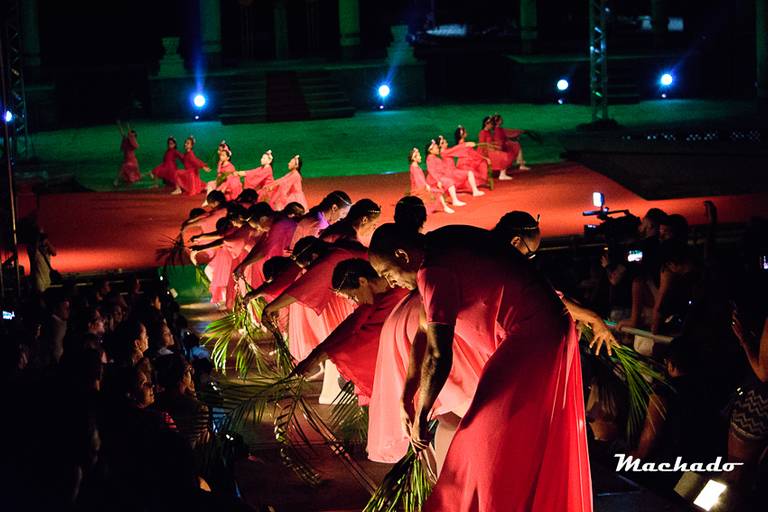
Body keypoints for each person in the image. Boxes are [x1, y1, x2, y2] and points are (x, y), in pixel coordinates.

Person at [368, 223, 592, 511]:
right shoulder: (437, 245)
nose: (390, 283)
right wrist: (406, 397)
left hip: (535, 336)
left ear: (402, 255)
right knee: (509, 436)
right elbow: (424, 331)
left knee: (484, 436)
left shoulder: (433, 270)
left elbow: (438, 355)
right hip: (541, 329)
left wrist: (422, 415)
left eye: (388, 273)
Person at [493, 211, 619, 355]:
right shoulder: (504, 266)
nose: (528, 260)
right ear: (515, 241)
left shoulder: (486, 250)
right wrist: (593, 318)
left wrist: (580, 313)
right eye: (529, 254)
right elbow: (546, 296)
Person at [291, 258, 408, 406]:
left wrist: (317, 358)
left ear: (362, 281)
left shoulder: (397, 293)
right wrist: (314, 356)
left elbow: (363, 339)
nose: (356, 302)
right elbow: (347, 328)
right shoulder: (373, 300)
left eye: (353, 296)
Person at [408, 147, 453, 214]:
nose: (420, 157)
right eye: (419, 156)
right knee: (437, 192)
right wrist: (426, 187)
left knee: (436, 192)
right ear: (414, 158)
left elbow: (420, 179)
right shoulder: (414, 168)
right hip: (418, 191)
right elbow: (418, 181)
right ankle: (445, 207)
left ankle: (445, 207)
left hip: (420, 188)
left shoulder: (415, 166)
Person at [424, 139, 466, 207]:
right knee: (449, 181)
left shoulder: (433, 157)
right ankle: (455, 200)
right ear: (430, 150)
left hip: (439, 176)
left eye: (438, 148)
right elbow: (431, 171)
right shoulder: (430, 158)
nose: (438, 149)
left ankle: (453, 196)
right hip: (434, 178)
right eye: (436, 148)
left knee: (450, 179)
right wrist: (438, 180)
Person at [477, 115, 513, 180]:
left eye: (492, 124)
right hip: (484, 152)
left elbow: (490, 142)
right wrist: (492, 147)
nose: (492, 125)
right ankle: (502, 174)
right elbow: (482, 144)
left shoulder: (489, 132)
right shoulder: (482, 132)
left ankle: (502, 173)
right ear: (486, 124)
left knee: (504, 153)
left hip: (489, 150)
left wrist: (495, 145)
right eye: (491, 124)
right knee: (503, 155)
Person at [114, 121, 140, 186]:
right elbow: (122, 133)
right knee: (129, 178)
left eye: (132, 135)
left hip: (132, 161)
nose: (130, 135)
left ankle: (116, 181)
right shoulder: (126, 140)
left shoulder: (133, 142)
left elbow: (131, 135)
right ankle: (126, 182)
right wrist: (119, 125)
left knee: (122, 168)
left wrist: (128, 127)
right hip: (127, 160)